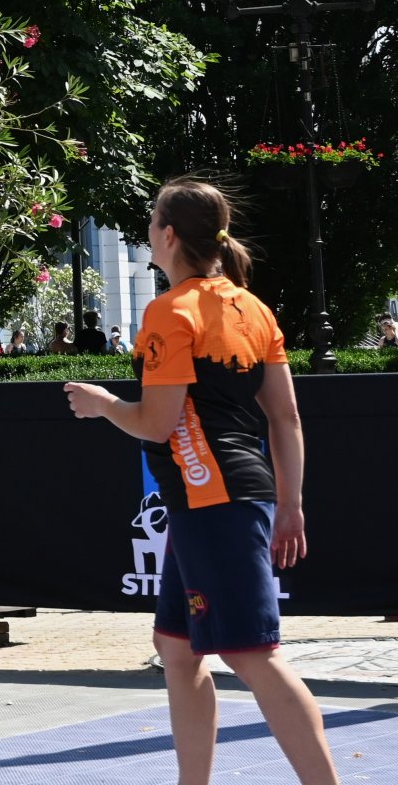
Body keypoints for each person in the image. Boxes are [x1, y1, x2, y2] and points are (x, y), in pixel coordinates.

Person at [64, 179, 337, 785]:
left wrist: (105, 403)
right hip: (223, 498)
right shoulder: (251, 306)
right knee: (179, 650)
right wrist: (289, 503)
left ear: (168, 235)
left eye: (151, 221)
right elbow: (285, 418)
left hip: (212, 500)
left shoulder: (170, 312)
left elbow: (157, 426)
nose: (147, 233)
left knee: (253, 654)